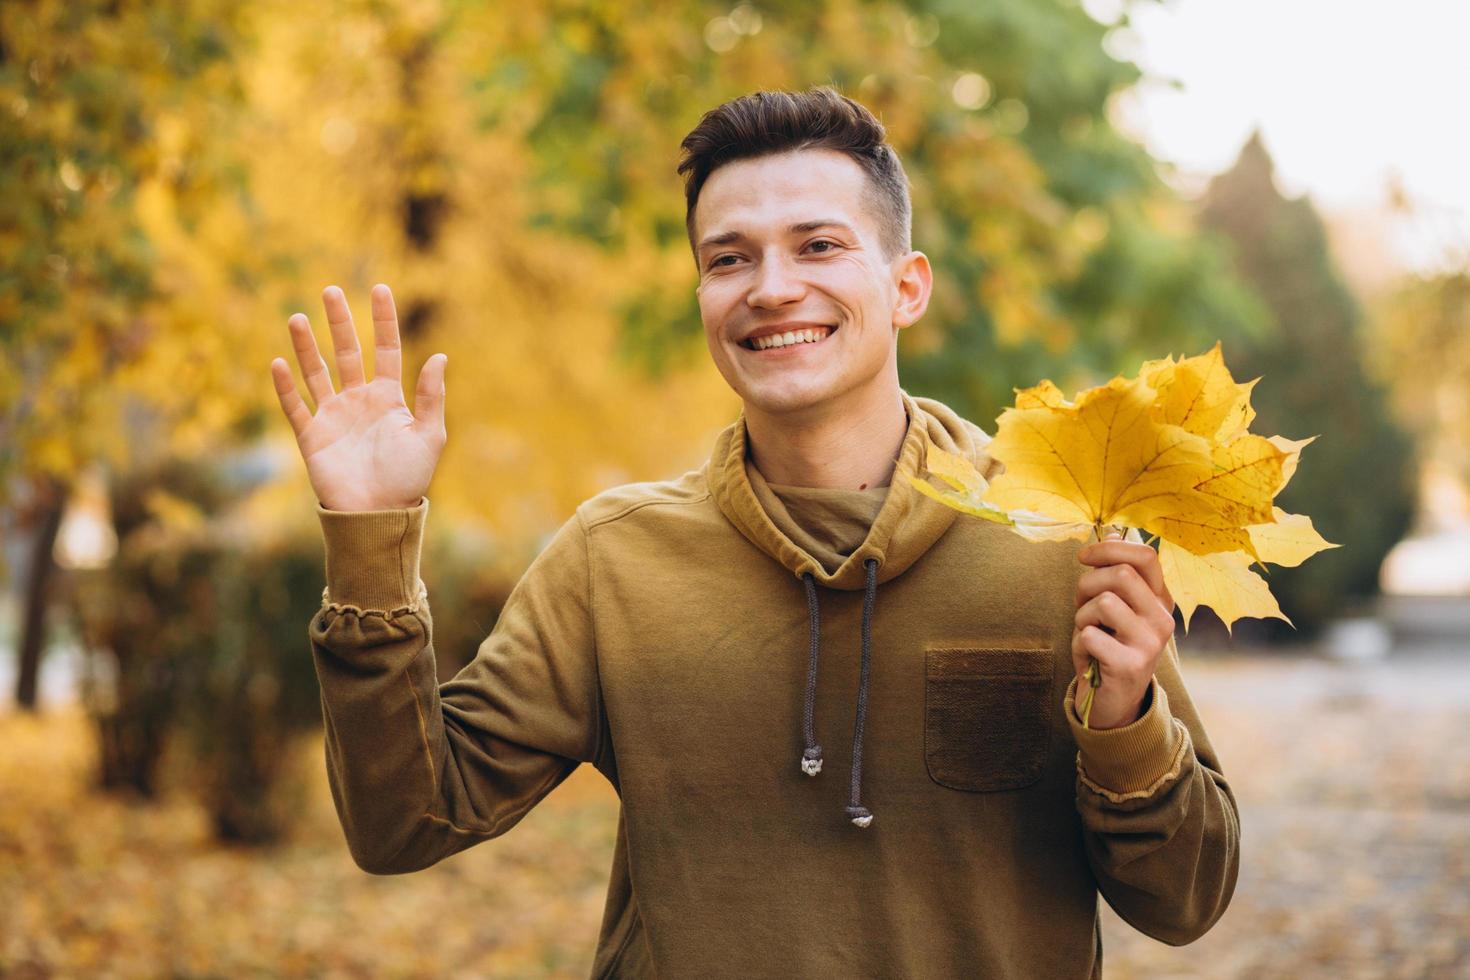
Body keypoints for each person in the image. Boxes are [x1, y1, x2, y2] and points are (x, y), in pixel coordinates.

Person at [269, 86, 1238, 978]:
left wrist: (1124, 725)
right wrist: (369, 537)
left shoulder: (1058, 539)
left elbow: (1188, 897)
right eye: (728, 257)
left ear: (907, 285)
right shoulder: (615, 559)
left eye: (818, 246)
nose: (771, 287)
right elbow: (404, 820)